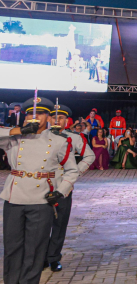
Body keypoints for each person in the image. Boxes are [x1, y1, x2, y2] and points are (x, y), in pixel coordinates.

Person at [0, 97, 79, 284]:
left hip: (42, 199)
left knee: (34, 251)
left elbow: (72, 171)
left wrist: (60, 191)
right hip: (15, 198)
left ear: (49, 117)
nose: (34, 117)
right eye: (29, 114)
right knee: (13, 250)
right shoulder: (14, 138)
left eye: (40, 114)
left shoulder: (59, 140)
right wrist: (18, 131)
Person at [45, 104, 95, 272]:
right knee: (40, 225)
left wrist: (74, 172)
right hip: (40, 185)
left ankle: (53, 257)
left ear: (67, 120)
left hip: (62, 185)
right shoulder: (40, 136)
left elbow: (90, 155)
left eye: (61, 117)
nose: (57, 120)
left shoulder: (73, 137)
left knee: (59, 223)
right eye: (54, 117)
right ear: (49, 119)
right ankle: (40, 257)